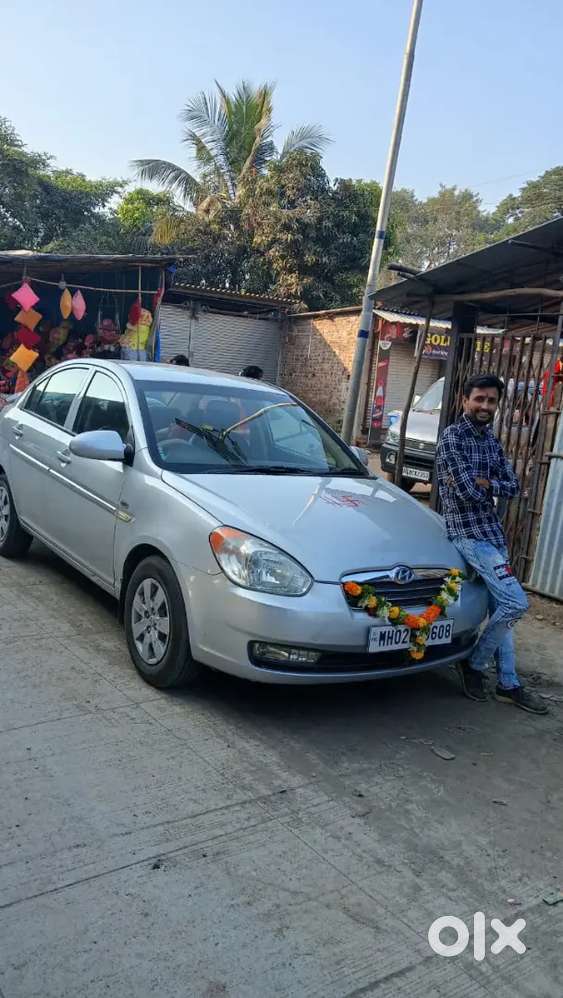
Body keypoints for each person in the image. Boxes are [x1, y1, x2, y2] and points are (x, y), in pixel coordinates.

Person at [436, 373, 547, 714]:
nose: (485, 406)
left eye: (491, 401)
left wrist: (488, 482)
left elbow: (516, 487)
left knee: (502, 609)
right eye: (479, 399)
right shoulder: (451, 439)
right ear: (464, 400)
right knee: (516, 603)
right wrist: (488, 484)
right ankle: (475, 664)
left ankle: (508, 683)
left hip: (494, 537)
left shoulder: (492, 441)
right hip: (469, 537)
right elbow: (469, 493)